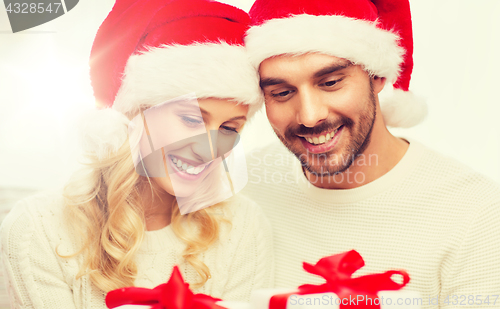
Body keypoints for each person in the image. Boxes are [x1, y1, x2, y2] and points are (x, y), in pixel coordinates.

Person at [0, 0, 274, 308]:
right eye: (191, 118)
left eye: (228, 129)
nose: (210, 149)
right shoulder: (37, 227)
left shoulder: (242, 225)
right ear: (133, 116)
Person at [241, 0, 500, 308]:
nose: (309, 116)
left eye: (331, 83)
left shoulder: (476, 214)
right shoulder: (241, 190)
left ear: (377, 75)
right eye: (282, 93)